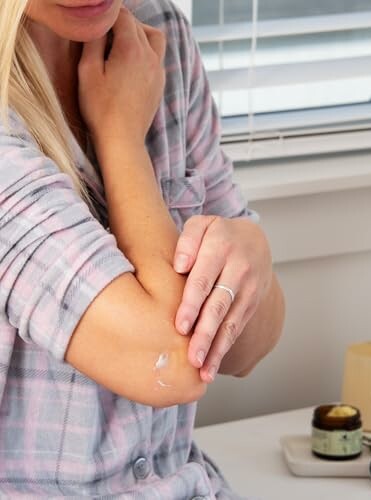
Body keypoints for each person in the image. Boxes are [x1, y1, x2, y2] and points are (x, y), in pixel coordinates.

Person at [0, 0, 285, 497]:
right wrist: (120, 137)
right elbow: (175, 365)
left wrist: (252, 252)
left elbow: (250, 348)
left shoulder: (156, 31)